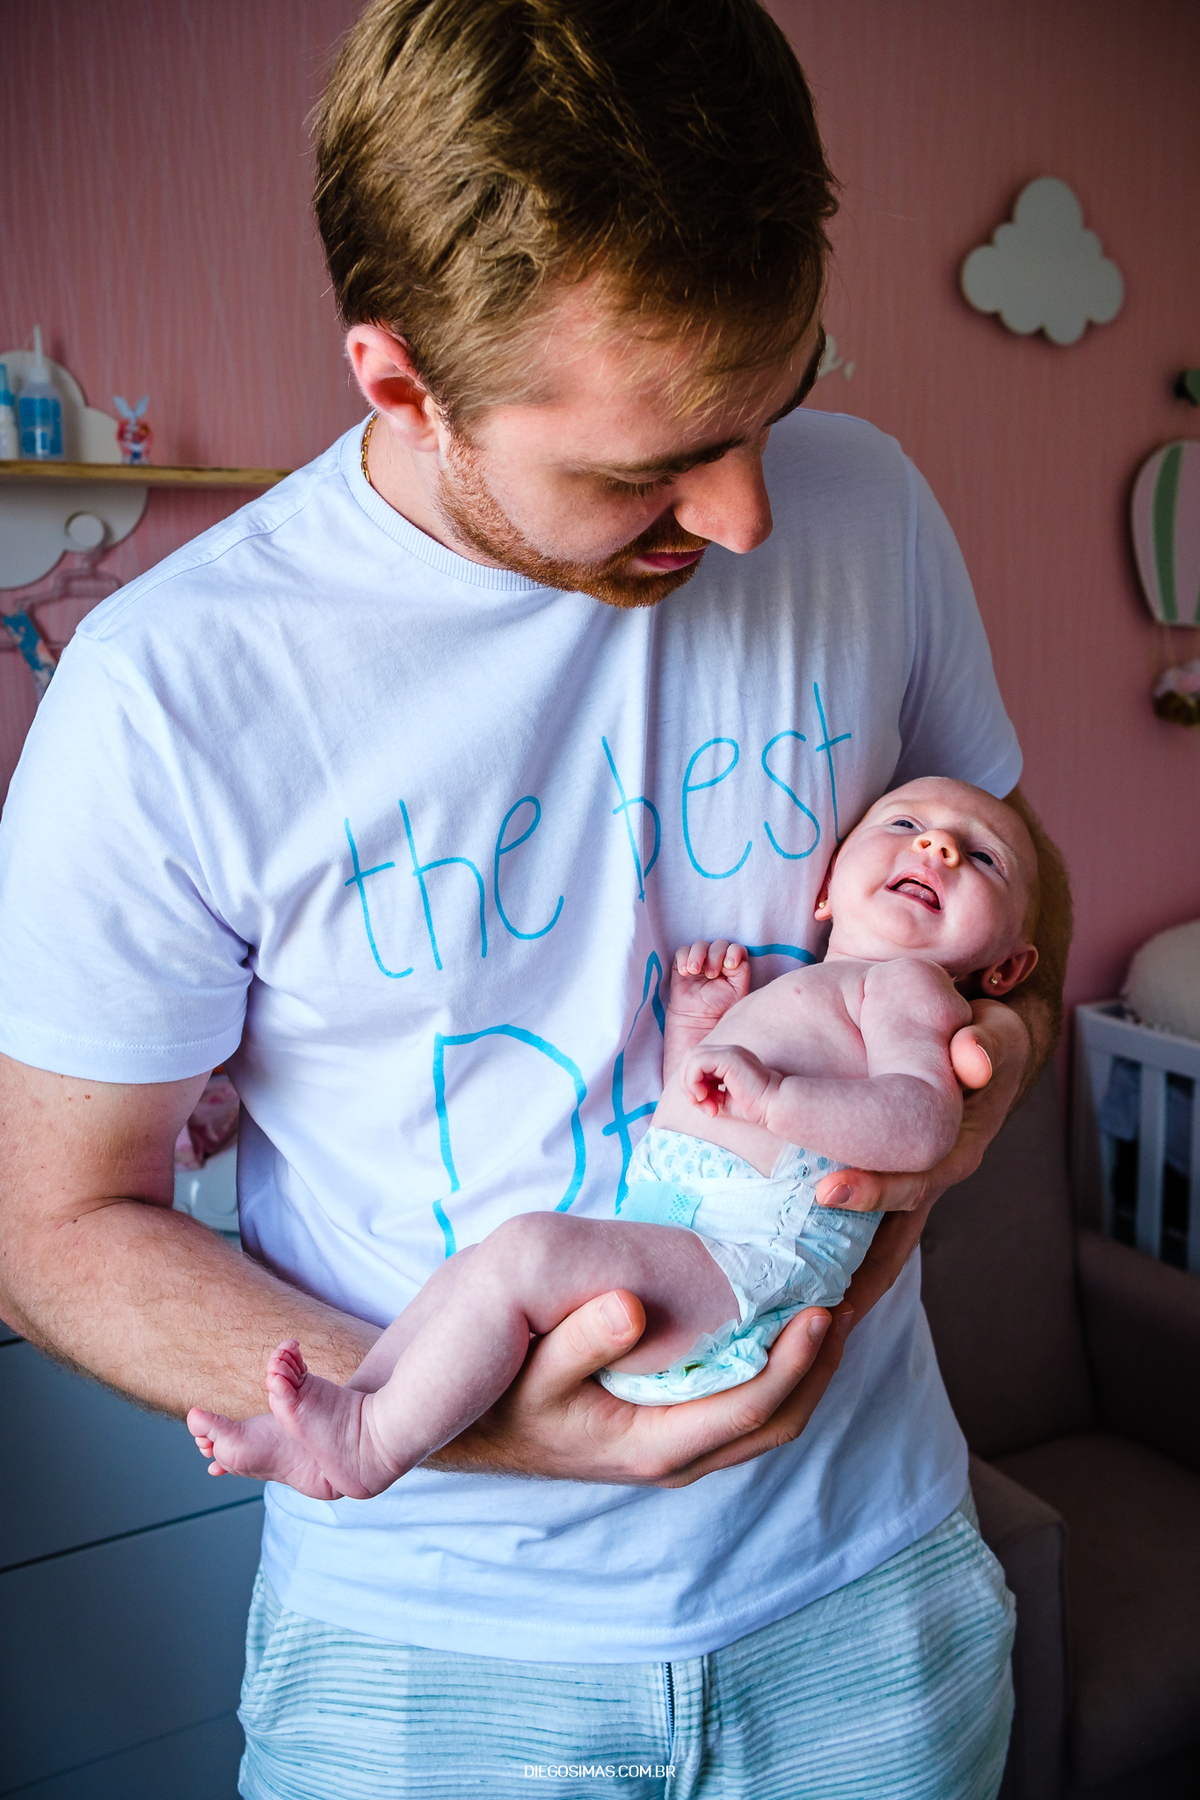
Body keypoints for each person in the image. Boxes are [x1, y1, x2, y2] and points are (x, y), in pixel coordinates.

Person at [0, 3, 1072, 1796]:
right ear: (401, 383)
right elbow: (49, 1230)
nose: (746, 516)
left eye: (775, 403)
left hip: (871, 1606)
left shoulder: (873, 506)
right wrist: (480, 1418)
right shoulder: (170, 692)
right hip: (433, 1671)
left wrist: (994, 1073)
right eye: (645, 467)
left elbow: (1015, 899)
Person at [186, 775, 1039, 1497]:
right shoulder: (818, 989)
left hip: (745, 1269)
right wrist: (700, 1032)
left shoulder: (911, 990)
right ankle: (339, 1419)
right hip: (693, 1241)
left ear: (1004, 969)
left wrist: (776, 1094)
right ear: (826, 889)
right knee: (473, 1270)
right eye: (904, 823)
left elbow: (922, 1122)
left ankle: (371, 1446)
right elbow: (700, 1114)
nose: (937, 847)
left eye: (983, 857)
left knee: (520, 1255)